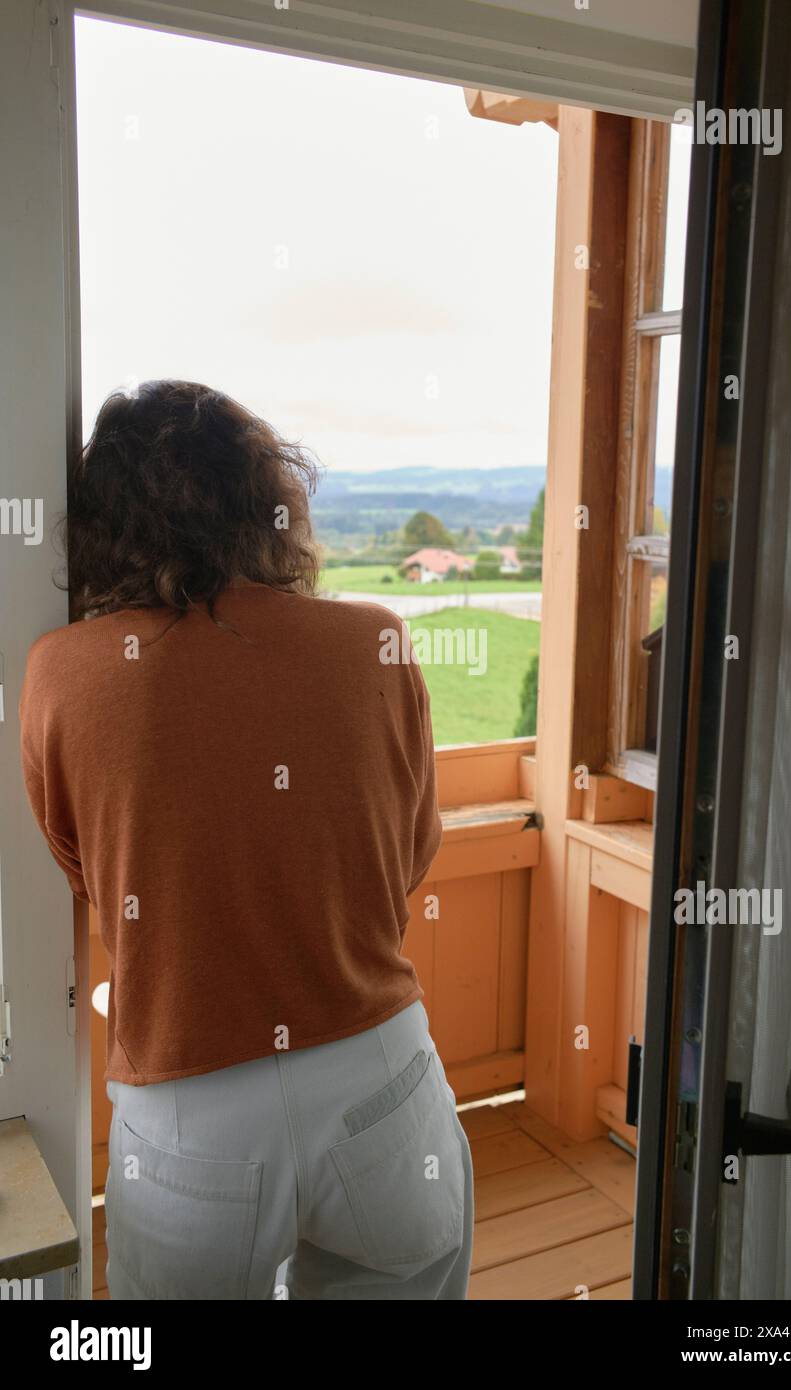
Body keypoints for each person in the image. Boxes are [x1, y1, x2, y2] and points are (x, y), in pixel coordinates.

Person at [19, 379, 474, 1300]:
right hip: (378, 1080)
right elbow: (409, 852)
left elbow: (86, 871)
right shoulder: (376, 645)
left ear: (104, 526)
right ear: (271, 503)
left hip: (191, 1116)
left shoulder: (62, 676)